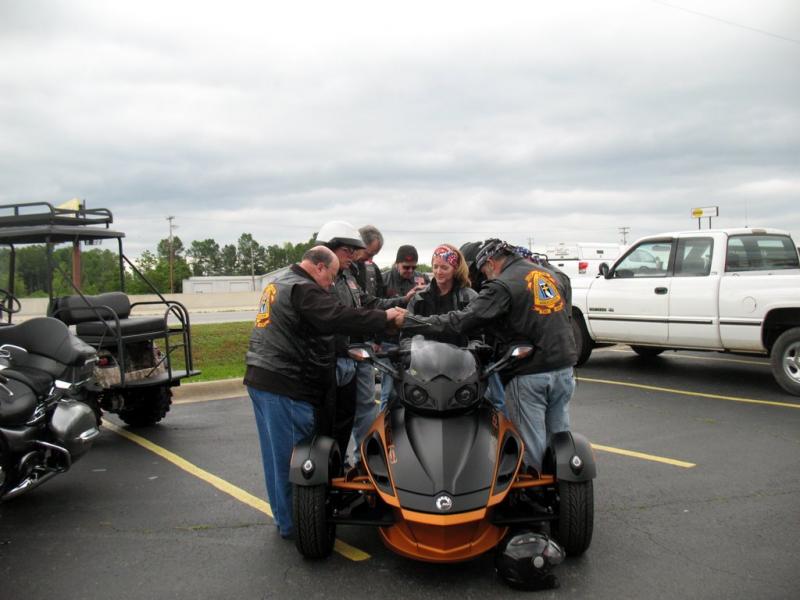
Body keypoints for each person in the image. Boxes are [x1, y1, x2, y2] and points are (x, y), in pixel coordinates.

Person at [244, 245, 403, 539]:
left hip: (262, 377)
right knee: (294, 460)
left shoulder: (281, 282)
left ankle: (286, 519)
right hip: (285, 383)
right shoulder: (304, 289)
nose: (332, 284)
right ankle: (296, 525)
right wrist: (384, 317)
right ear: (318, 267)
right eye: (331, 276)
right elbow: (336, 316)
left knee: (275, 459)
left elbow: (311, 327)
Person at [398, 239, 577, 474]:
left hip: (529, 370)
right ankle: (563, 489)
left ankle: (533, 492)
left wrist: (412, 321)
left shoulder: (502, 285)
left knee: (531, 443)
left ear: (491, 263)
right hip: (564, 366)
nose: (486, 277)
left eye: (484, 271)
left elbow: (462, 321)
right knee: (560, 436)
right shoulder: (551, 276)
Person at [316, 221, 408, 464]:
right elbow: (341, 315)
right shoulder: (320, 279)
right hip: (332, 359)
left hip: (355, 354)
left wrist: (397, 305)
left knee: (359, 411)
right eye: (349, 250)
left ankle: (365, 462)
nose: (356, 256)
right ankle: (332, 466)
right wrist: (383, 317)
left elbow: (366, 302)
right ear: (330, 248)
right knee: (331, 417)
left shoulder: (348, 274)